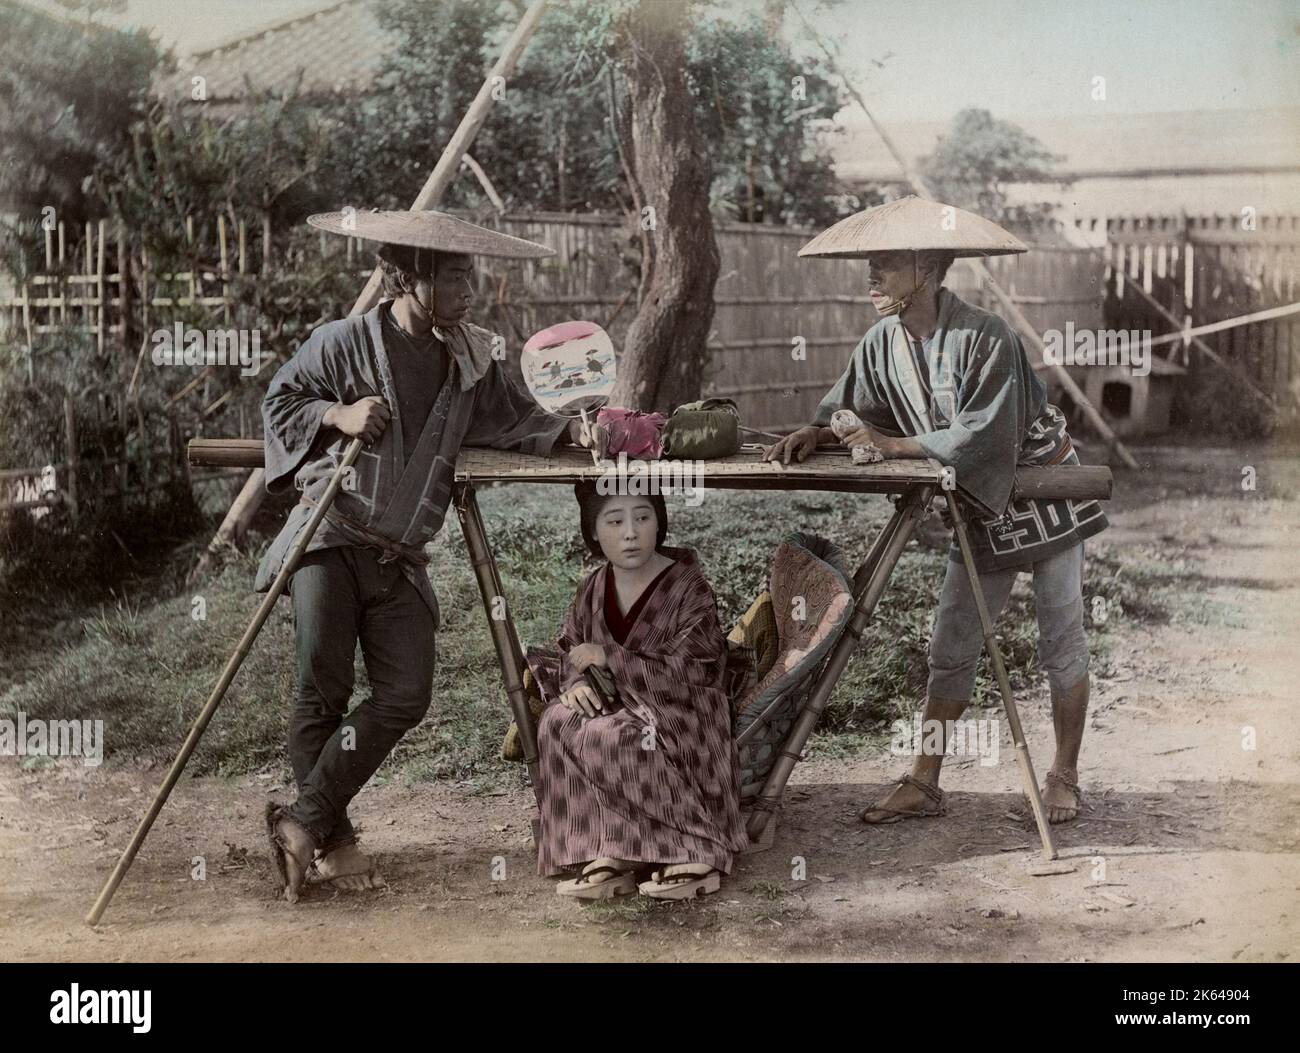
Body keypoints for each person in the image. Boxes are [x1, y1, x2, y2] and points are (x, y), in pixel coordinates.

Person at [259, 210, 607, 902]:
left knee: (406, 693)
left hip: (398, 556)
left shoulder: (470, 359)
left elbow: (516, 418)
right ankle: (332, 840)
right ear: (407, 275)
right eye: (453, 274)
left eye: (469, 272)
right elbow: (278, 400)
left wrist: (573, 428)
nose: (468, 287)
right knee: (320, 689)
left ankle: (301, 820)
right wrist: (339, 415)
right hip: (329, 535)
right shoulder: (344, 342)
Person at [765, 196, 1108, 826]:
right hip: (974, 498)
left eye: (886, 265)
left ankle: (1064, 773)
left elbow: (984, 431)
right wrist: (817, 431)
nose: (872, 278)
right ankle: (924, 781)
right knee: (952, 639)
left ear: (927, 268)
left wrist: (894, 444)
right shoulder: (880, 342)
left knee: (1060, 634)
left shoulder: (987, 335)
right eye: (870, 264)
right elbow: (856, 407)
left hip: (1041, 489)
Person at [526, 483, 747, 900]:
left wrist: (609, 657)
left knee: (615, 735)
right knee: (557, 721)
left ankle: (694, 849)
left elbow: (696, 669)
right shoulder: (592, 586)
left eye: (643, 517)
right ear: (593, 532)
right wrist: (573, 683)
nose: (631, 532)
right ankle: (611, 847)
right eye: (615, 521)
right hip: (618, 702)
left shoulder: (687, 586)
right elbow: (571, 646)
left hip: (683, 710)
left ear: (658, 522)